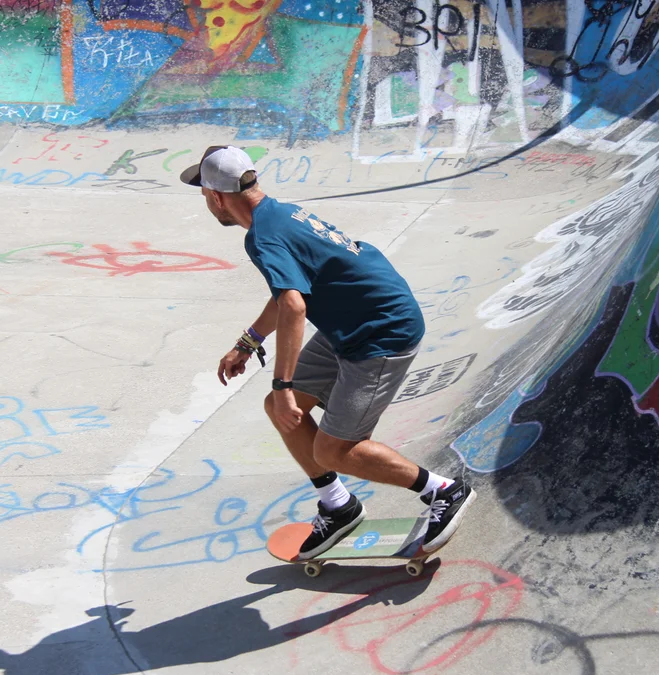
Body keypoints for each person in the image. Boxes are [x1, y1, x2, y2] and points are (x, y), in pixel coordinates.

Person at [180, 145, 475, 559]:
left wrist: (283, 383)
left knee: (335, 448)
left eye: (204, 196)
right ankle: (339, 506)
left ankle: (444, 491)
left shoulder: (263, 236)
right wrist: (248, 342)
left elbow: (295, 306)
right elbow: (287, 293)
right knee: (281, 410)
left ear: (215, 197)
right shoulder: (280, 213)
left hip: (380, 333)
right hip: (352, 321)